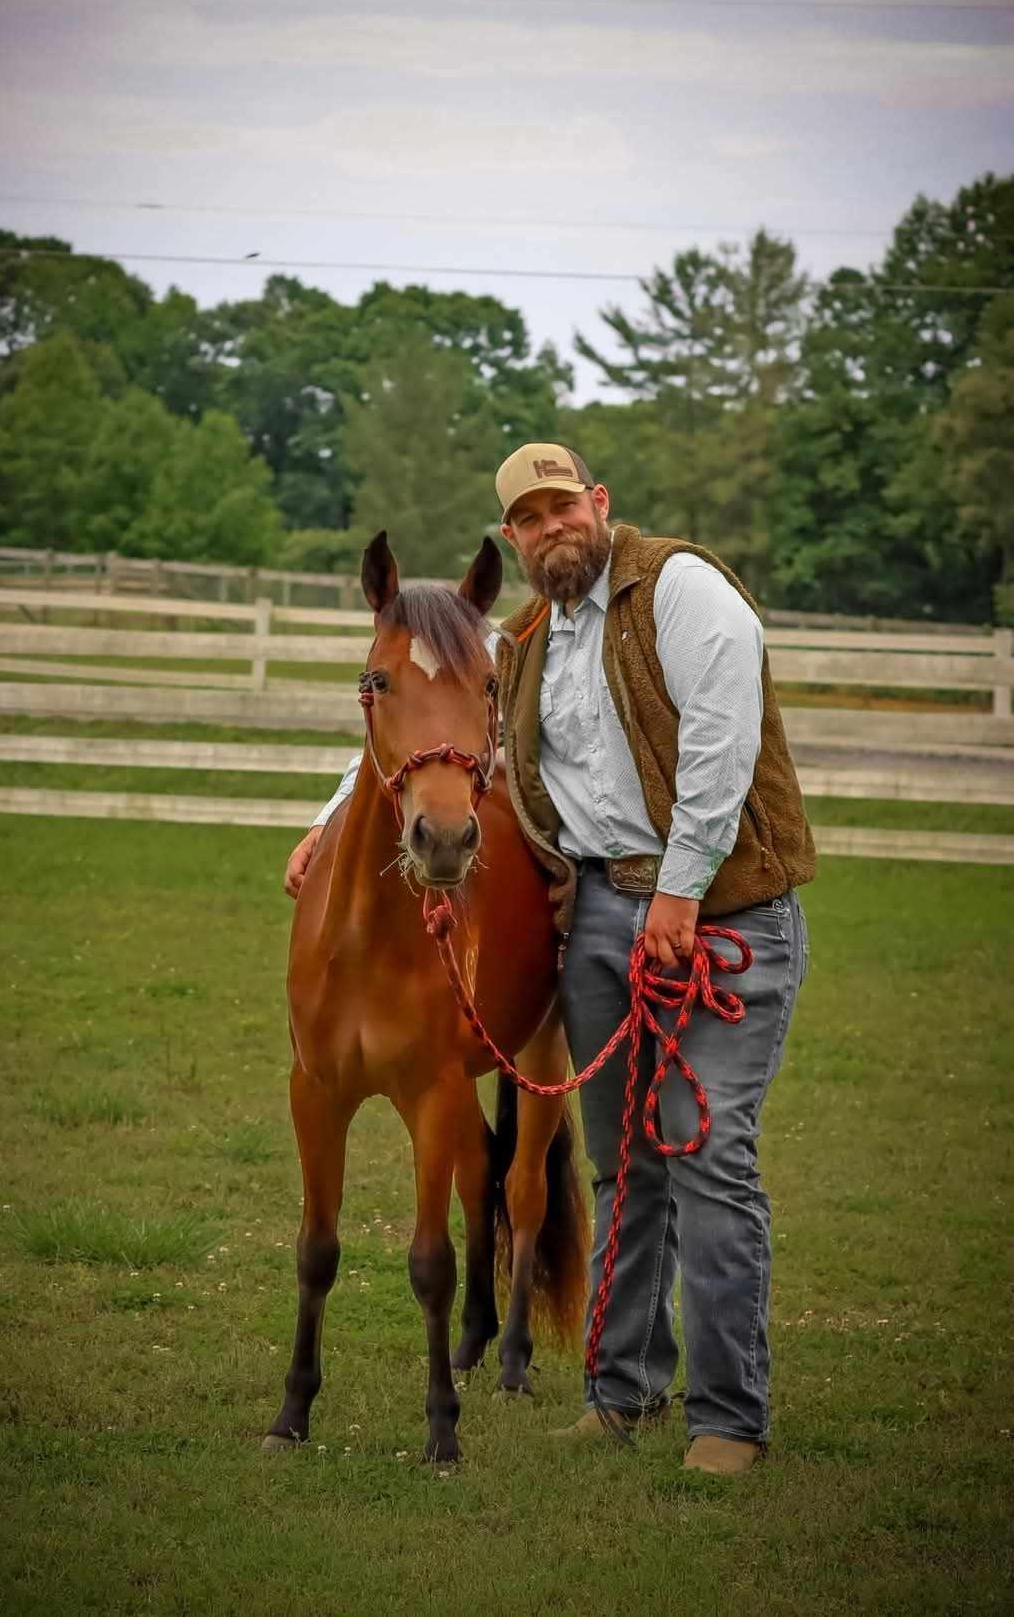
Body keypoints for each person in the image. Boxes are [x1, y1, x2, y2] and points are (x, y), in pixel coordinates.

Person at [284, 443, 814, 1477]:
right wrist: (328, 821)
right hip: (607, 911)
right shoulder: (529, 639)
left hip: (725, 907)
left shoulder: (681, 588)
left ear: (598, 503)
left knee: (708, 1157)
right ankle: (622, 1394)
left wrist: (680, 889)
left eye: (562, 506)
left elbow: (720, 739)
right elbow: (427, 741)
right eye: (527, 519)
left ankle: (728, 1419)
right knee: (625, 1165)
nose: (549, 528)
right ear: (515, 541)